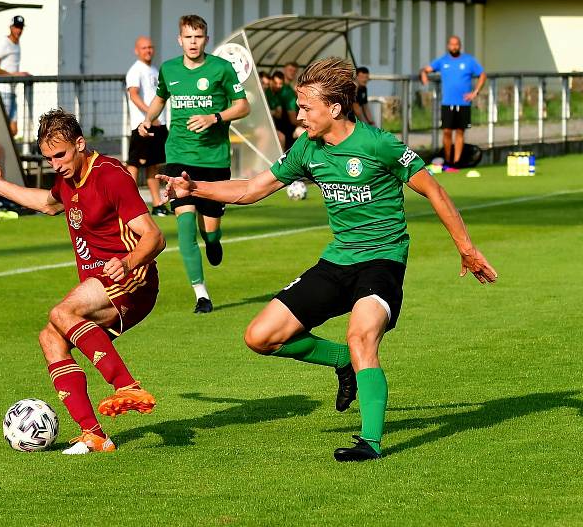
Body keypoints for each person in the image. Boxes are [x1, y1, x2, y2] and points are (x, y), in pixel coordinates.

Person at [158, 57, 498, 462]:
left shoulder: (378, 144)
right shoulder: (307, 148)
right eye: (299, 107)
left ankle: (370, 442)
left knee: (362, 337)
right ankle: (342, 362)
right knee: (260, 337)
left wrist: (467, 248)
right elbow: (250, 188)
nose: (299, 116)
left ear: (334, 109)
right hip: (336, 262)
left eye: (306, 108)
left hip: (382, 261)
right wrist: (194, 187)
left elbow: (435, 191)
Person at [0, 109, 166, 455]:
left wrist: (127, 262)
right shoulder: (67, 180)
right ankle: (93, 435)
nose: (55, 164)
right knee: (50, 338)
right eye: (48, 158)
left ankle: (128, 386)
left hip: (133, 279)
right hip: (100, 283)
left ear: (80, 144)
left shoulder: (111, 175)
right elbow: (47, 205)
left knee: (62, 312)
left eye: (60, 155)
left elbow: (154, 237)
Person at [139, 14, 249, 314]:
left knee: (209, 231)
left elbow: (243, 106)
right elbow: (161, 98)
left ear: (206, 39)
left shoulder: (221, 69)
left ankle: (213, 241)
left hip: (213, 160)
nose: (193, 42)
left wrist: (215, 117)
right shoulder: (169, 69)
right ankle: (201, 293)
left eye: (198, 37)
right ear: (179, 39)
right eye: (188, 37)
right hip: (178, 156)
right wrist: (147, 120)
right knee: (185, 224)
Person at [420, 36, 486, 167]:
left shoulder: (468, 61)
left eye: (456, 45)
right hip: (447, 102)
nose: (454, 47)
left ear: (460, 46)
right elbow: (426, 69)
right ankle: (447, 159)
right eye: (452, 44)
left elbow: (482, 74)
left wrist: (475, 92)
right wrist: (423, 74)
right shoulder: (443, 61)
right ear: (448, 46)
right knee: (446, 131)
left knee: (460, 132)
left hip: (464, 102)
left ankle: (457, 162)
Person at [125, 35, 169, 217]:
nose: (148, 50)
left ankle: (157, 204)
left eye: (150, 47)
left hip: (158, 125)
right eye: (144, 48)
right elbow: (134, 95)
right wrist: (150, 115)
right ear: (137, 50)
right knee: (135, 163)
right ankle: (127, 202)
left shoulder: (154, 69)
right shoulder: (135, 71)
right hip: (143, 125)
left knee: (154, 165)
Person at [0, 15, 30, 137]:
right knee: (1, 127)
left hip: (12, 91)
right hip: (3, 91)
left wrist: (20, 75)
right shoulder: (5, 43)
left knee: (13, 130)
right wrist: (12, 75)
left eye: (21, 27)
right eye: (16, 27)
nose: (19, 30)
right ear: (11, 27)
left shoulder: (17, 43)